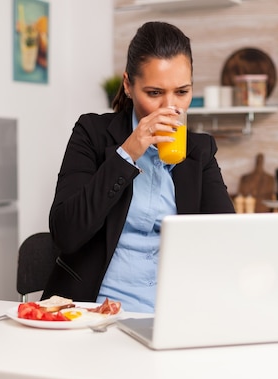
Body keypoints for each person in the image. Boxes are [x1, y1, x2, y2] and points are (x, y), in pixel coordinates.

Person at [42, 21, 234, 312]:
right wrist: (129, 151)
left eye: (182, 92)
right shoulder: (91, 133)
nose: (170, 107)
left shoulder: (200, 151)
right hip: (94, 310)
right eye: (154, 93)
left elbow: (226, 241)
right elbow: (66, 232)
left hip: (171, 312)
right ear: (128, 86)